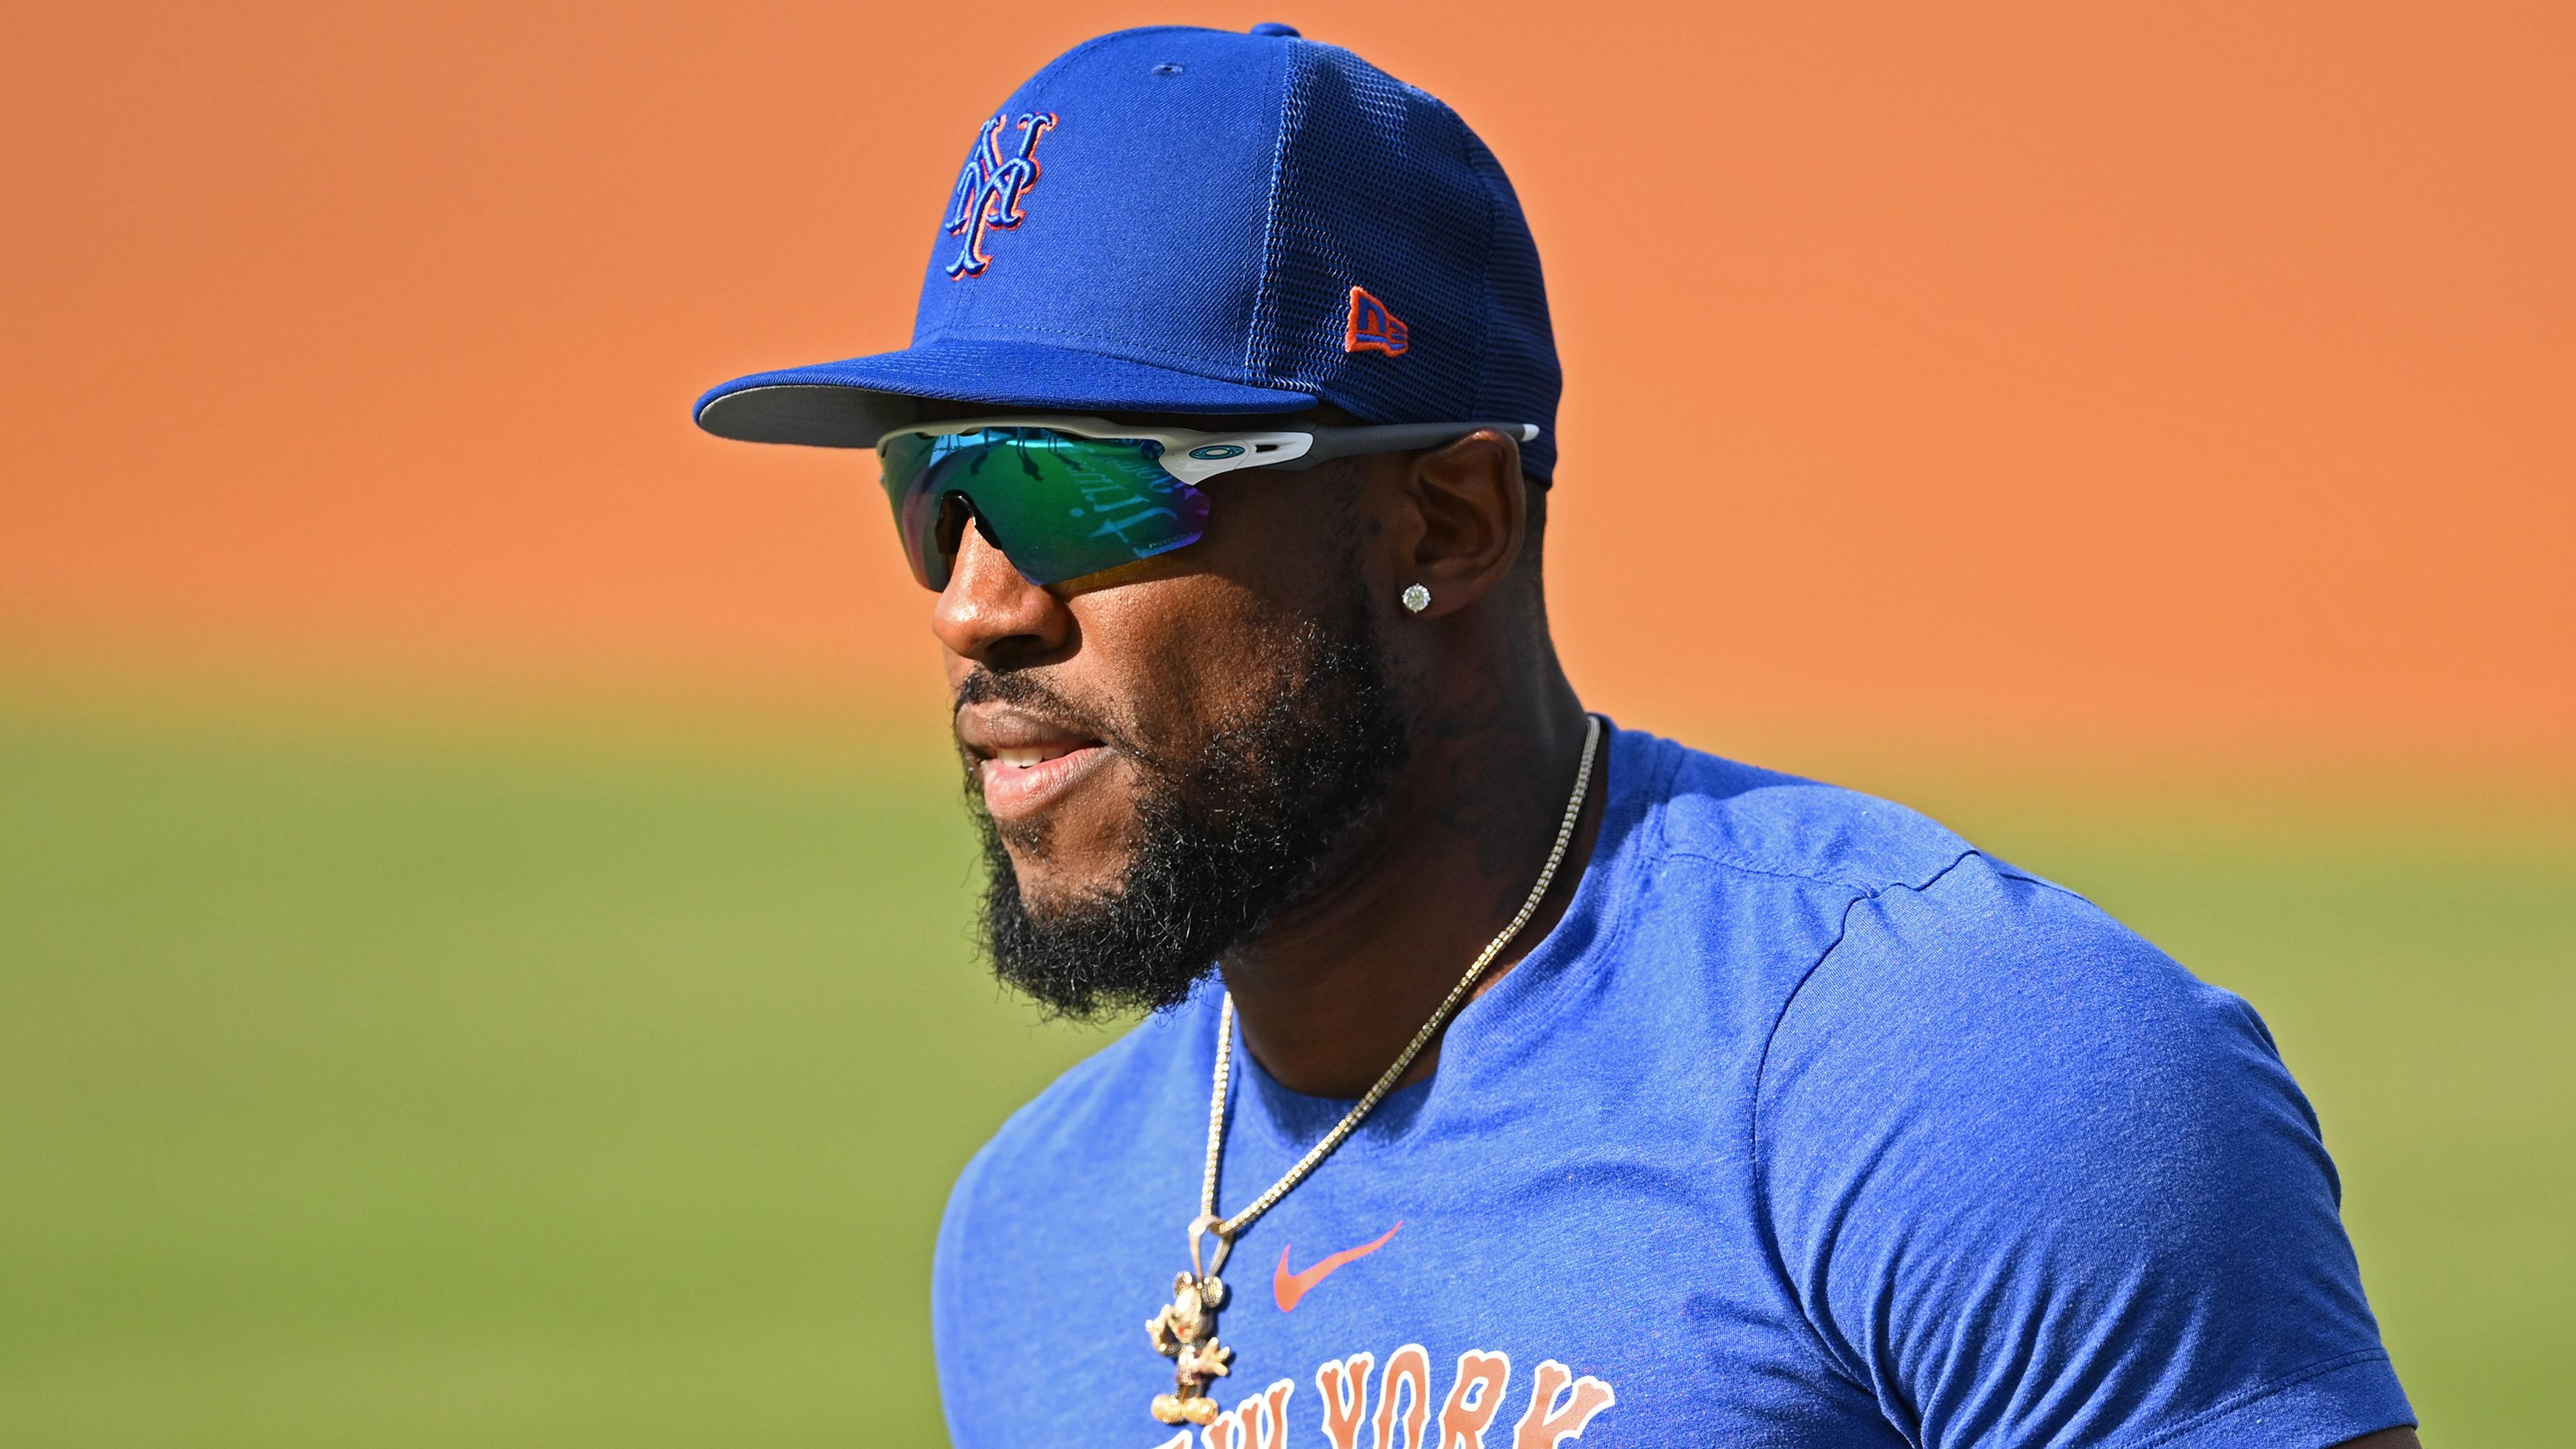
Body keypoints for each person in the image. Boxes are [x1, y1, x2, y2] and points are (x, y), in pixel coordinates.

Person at [694, 22, 2419, 1449]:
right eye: (933, 493)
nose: (973, 604)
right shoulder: (1029, 1237)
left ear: (1445, 522)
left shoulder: (1952, 1079)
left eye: (1070, 483)